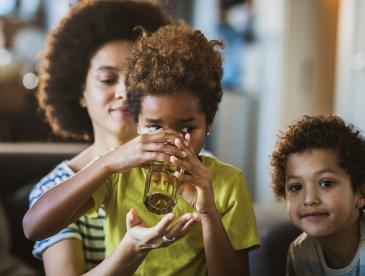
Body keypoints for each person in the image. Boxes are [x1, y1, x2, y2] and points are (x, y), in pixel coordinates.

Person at [23, 22, 260, 275]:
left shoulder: (227, 182)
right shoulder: (118, 173)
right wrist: (109, 163)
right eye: (154, 128)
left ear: (208, 123)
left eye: (186, 129)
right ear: (136, 124)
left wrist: (208, 211)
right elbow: (34, 228)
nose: (171, 141)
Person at [27, 1, 198, 275]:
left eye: (137, 79)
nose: (124, 92)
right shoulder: (57, 189)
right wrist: (132, 249)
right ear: (80, 92)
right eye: (107, 79)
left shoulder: (187, 168)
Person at [270, 115, 365, 275]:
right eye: (296, 187)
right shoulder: (299, 254)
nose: (309, 199)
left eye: (326, 183)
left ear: (360, 193)